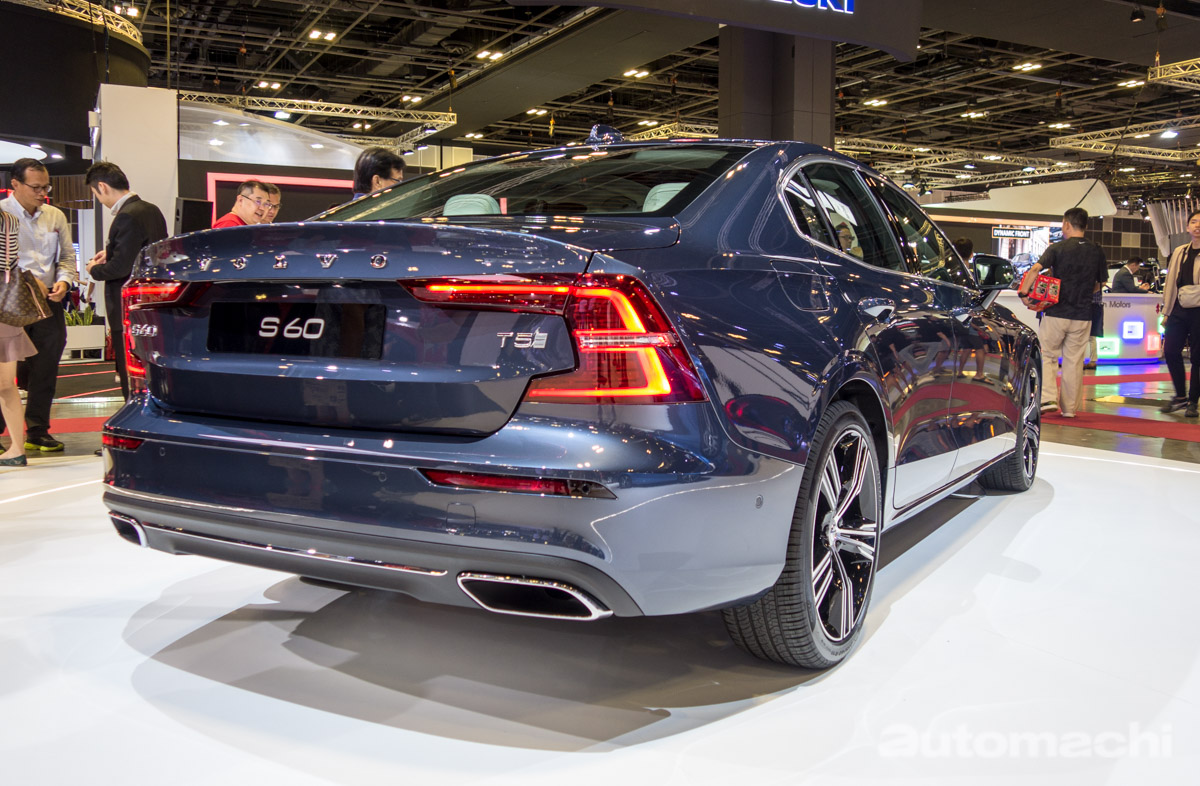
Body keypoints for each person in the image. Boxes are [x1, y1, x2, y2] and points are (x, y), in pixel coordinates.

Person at [0, 158, 77, 452]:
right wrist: (29, 281)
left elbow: (67, 258)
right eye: (35, 187)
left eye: (46, 186)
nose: (42, 192)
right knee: (5, 371)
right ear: (15, 185)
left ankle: (37, 430)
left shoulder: (55, 216)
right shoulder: (3, 215)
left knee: (46, 366)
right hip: (10, 304)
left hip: (48, 303)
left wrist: (65, 282)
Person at [84, 161, 170, 399]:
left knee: (130, 372)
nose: (100, 200)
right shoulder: (150, 210)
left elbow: (121, 268)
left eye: (95, 194)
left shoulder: (127, 216)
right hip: (150, 302)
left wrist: (93, 269)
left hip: (127, 306)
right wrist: (109, 254)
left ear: (102, 186)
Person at [1019, 207, 1107, 418]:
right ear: (1085, 225)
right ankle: (1069, 409)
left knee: (1048, 355)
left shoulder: (1057, 248)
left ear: (1067, 224)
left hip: (1056, 311)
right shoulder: (1097, 250)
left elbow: (1034, 270)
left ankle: (1048, 398)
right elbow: (1100, 283)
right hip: (1083, 315)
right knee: (1074, 361)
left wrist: (1024, 293)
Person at [1, 211, 35, 467]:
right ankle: (17, 448)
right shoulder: (9, 219)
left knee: (5, 387)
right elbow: (11, 264)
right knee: (5, 386)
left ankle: (16, 449)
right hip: (5, 305)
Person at [1159, 208, 1200, 417]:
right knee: (1171, 351)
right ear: (1187, 227)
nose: (1197, 225)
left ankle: (1193, 401)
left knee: (1197, 358)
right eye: (1193, 221)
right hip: (1178, 308)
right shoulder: (1180, 251)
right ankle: (1180, 396)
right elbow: (1171, 283)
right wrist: (1166, 311)